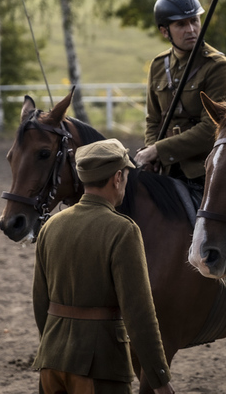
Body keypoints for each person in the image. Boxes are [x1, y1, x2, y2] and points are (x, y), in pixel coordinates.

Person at [133, 0, 226, 336]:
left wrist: (160, 150)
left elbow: (211, 127)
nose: (191, 29)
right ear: (165, 31)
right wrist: (153, 151)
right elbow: (154, 119)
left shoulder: (217, 66)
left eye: (194, 20)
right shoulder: (158, 66)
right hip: (168, 169)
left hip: (210, 167)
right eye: (181, 24)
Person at [32, 139, 176, 394]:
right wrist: (160, 379)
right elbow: (139, 313)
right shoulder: (123, 230)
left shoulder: (50, 226)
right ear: (117, 177)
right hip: (100, 366)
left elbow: (40, 302)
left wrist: (54, 349)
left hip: (51, 363)